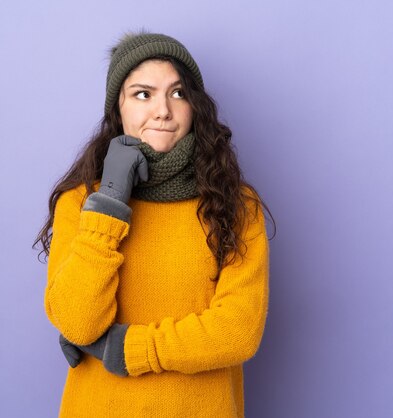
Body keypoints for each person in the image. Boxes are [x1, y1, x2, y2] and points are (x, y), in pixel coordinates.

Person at [33, 31, 275, 418]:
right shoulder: (81, 202)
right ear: (119, 108)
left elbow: (238, 330)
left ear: (195, 105)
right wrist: (111, 199)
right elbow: (79, 323)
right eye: (143, 94)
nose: (163, 110)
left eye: (177, 93)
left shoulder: (236, 205)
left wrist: (126, 348)